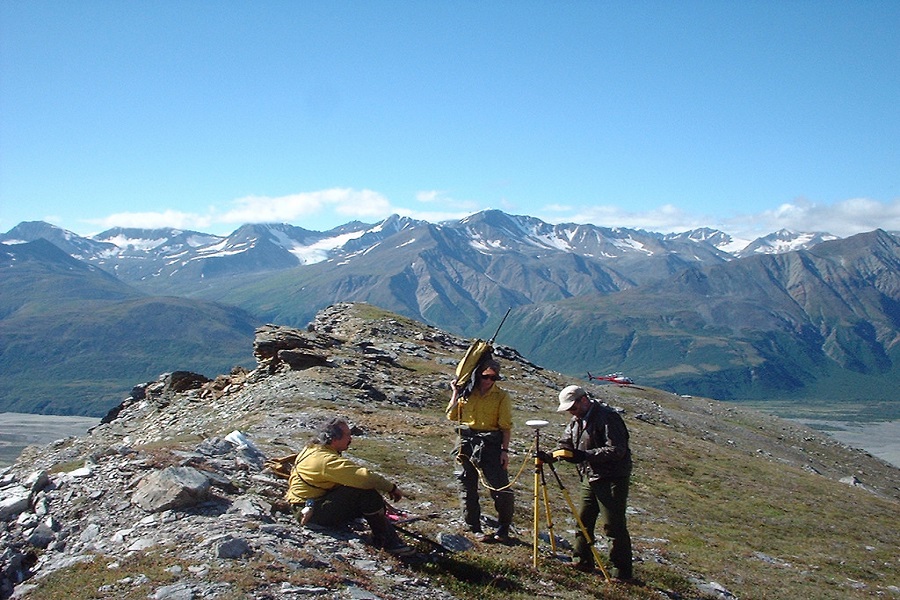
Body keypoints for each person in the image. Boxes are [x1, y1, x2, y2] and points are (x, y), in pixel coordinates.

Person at [285, 417, 416, 557]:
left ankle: (381, 528)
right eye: (347, 435)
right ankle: (388, 543)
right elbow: (364, 478)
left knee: (356, 490)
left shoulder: (313, 449)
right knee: (366, 493)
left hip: (305, 504)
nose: (351, 439)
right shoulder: (326, 461)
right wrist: (391, 488)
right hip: (311, 513)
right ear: (334, 439)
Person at [553, 385, 633, 581]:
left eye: (573, 408)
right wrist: (553, 455)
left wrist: (584, 455)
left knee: (613, 526)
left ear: (584, 400)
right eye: (569, 409)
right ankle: (582, 560)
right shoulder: (576, 420)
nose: (571, 412)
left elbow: (617, 450)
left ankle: (621, 572)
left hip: (612, 478)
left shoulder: (608, 417)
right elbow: (566, 443)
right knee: (583, 520)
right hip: (590, 477)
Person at [446, 357, 515, 543]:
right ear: (478, 375)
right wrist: (456, 393)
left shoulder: (501, 396)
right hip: (465, 442)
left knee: (500, 487)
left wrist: (505, 451)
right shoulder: (467, 393)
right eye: (485, 376)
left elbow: (505, 427)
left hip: (490, 445)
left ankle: (503, 528)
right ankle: (474, 527)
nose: (489, 381)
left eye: (493, 378)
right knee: (466, 485)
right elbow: (451, 415)